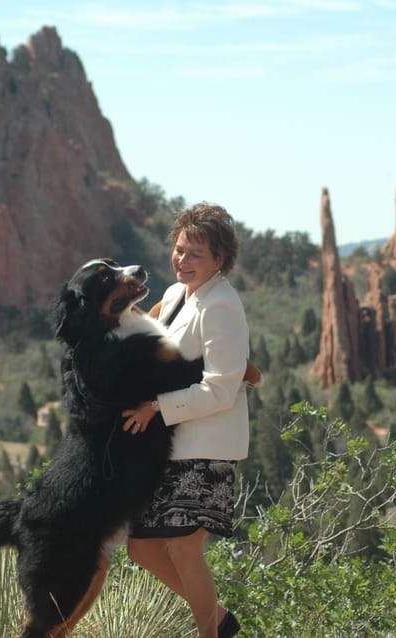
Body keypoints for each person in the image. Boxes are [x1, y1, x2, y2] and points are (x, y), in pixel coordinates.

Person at [121, 202, 252, 638]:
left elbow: (221, 388)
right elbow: (147, 338)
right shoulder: (177, 295)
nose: (183, 260)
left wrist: (156, 406)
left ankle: (208, 633)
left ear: (220, 259)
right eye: (179, 250)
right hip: (173, 448)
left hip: (209, 449)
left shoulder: (221, 305)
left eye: (196, 254)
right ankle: (218, 620)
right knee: (141, 548)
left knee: (183, 547)